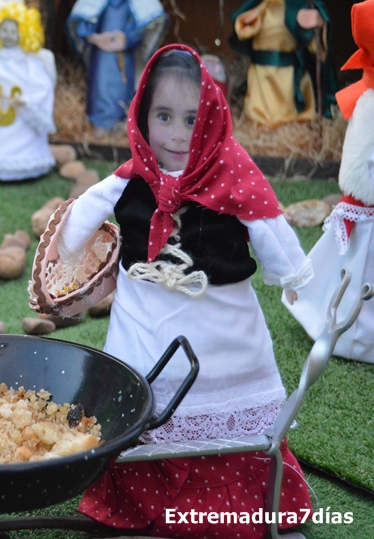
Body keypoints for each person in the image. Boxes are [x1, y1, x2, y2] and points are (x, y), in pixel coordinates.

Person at [47, 45, 313, 538]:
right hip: (144, 326)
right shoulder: (131, 177)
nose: (175, 132)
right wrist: (65, 246)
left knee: (225, 412)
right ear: (143, 114)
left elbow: (268, 224)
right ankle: (138, 498)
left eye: (192, 119)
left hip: (222, 333)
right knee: (143, 402)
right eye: (163, 115)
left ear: (212, 119)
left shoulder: (234, 175)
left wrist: (293, 276)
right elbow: (86, 210)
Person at [283, 0, 374, 363]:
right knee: (355, 274)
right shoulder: (369, 104)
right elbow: (360, 165)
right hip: (368, 210)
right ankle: (355, 336)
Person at [230, 0, 337, 127]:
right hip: (262, 79)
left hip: (289, 79)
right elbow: (243, 28)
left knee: (289, 112)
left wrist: (316, 25)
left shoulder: (297, 6)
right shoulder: (261, 5)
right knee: (259, 113)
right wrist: (247, 23)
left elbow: (316, 47)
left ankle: (291, 119)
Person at [67, 0, 167, 134]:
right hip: (102, 55)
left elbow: (142, 19)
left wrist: (127, 38)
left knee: (122, 85)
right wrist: (96, 38)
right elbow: (87, 17)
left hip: (124, 54)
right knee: (101, 84)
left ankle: (121, 123)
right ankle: (100, 124)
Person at [0, 1, 57, 181]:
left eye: (13, 31)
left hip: (20, 116)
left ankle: (24, 166)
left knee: (24, 137)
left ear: (23, 33)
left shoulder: (30, 60)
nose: (8, 35)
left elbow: (42, 87)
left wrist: (26, 101)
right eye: (4, 30)